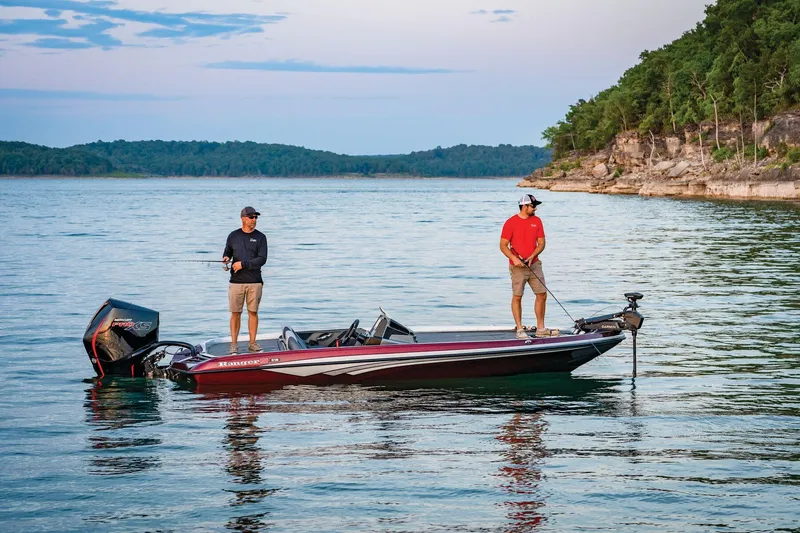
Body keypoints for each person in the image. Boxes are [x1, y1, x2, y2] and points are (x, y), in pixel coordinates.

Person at [499, 194, 552, 339]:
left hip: (534, 265)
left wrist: (532, 256)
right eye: (533, 206)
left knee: (542, 294)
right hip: (517, 267)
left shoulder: (537, 221)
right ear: (525, 206)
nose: (535, 209)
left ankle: (541, 329)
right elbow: (503, 245)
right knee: (517, 296)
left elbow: (541, 243)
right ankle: (520, 329)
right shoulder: (511, 222)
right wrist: (514, 258)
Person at [223, 206, 268, 354]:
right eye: (251, 217)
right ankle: (234, 345)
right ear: (243, 218)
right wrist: (226, 258)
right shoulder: (233, 236)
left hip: (255, 282)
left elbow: (262, 259)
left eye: (256, 217)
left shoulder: (261, 237)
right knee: (235, 313)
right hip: (236, 282)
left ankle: (252, 343)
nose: (254, 220)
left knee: (253, 312)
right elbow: (228, 251)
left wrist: (243, 264)